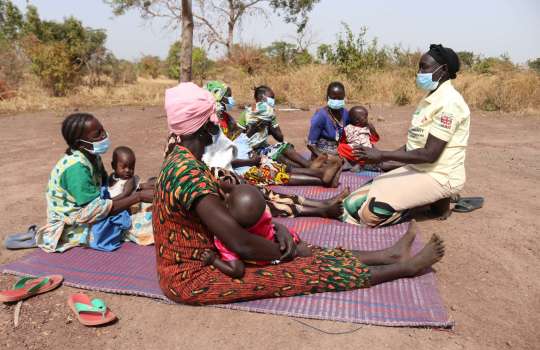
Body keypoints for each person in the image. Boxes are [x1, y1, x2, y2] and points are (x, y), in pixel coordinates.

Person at [152, 81, 446, 305]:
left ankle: (385, 255)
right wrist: (281, 254)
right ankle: (404, 268)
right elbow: (239, 243)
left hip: (210, 253)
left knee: (302, 250)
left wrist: (272, 229)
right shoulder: (187, 173)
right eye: (213, 121)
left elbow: (228, 212)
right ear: (206, 127)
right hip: (192, 276)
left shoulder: (182, 160)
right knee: (305, 272)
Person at [343, 44, 470, 227]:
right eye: (419, 67)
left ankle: (426, 203)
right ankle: (427, 201)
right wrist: (379, 162)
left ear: (442, 70)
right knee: (352, 202)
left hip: (439, 175)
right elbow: (413, 145)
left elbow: (429, 154)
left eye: (424, 67)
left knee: (368, 216)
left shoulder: (450, 103)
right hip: (418, 169)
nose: (419, 72)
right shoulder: (429, 99)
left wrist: (382, 155)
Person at [36, 113, 154, 253]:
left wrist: (137, 187)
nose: (104, 136)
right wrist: (137, 197)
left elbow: (107, 186)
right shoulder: (76, 169)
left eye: (102, 130)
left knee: (147, 202)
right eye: (97, 134)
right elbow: (94, 210)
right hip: (74, 227)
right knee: (144, 222)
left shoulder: (92, 156)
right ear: (80, 143)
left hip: (97, 209)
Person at [200, 184, 312, 279]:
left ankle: (298, 254)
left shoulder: (225, 237)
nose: (226, 195)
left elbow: (236, 270)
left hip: (265, 258)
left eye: (228, 196)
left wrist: (214, 260)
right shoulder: (261, 217)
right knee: (294, 244)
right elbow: (274, 225)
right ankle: (302, 251)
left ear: (227, 206)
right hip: (279, 241)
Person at [108, 146, 155, 246]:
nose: (128, 170)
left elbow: (125, 194)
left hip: (127, 209)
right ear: (113, 165)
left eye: (131, 167)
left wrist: (108, 202)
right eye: (124, 167)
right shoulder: (110, 177)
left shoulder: (129, 181)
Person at [307, 81, 350, 156]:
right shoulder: (321, 116)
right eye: (334, 98)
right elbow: (311, 144)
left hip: (340, 150)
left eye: (339, 98)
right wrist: (323, 157)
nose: (336, 100)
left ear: (344, 97)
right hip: (323, 152)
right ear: (328, 98)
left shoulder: (345, 113)